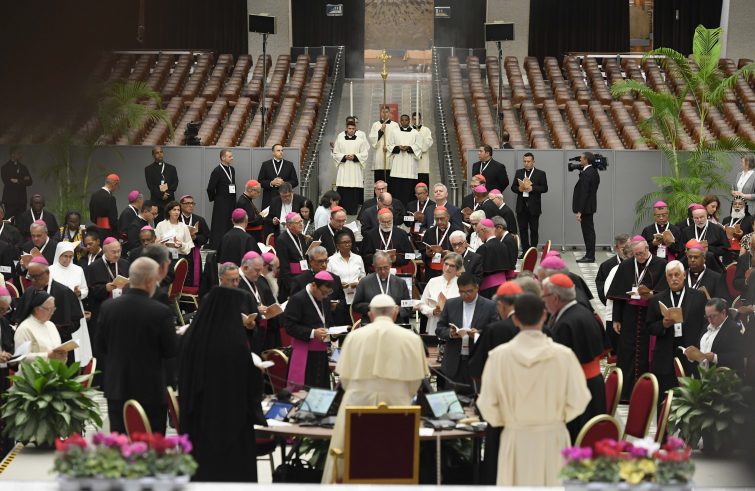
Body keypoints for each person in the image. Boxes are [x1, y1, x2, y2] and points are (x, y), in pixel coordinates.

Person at [477, 293, 590, 486]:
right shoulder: (564, 355)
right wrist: (556, 418)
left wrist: (511, 421)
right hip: (552, 436)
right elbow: (579, 399)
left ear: (515, 319)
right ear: (544, 316)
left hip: (515, 437)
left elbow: (487, 404)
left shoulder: (498, 357)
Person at [321, 294, 428, 484]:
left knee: (353, 457)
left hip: (357, 403)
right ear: (395, 313)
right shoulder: (411, 339)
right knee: (395, 459)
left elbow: (344, 379)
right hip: (398, 405)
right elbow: (416, 383)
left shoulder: (354, 337)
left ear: (370, 314)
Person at [178, 286, 266, 482]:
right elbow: (249, 386)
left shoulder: (190, 338)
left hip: (196, 421)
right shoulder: (233, 342)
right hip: (230, 426)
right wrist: (257, 372)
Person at [96, 257, 177, 433]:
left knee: (120, 439)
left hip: (117, 385)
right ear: (150, 280)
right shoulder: (161, 312)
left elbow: (100, 346)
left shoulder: (108, 308)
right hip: (151, 387)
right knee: (151, 441)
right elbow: (170, 351)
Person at [468, 281, 523, 484]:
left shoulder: (494, 330)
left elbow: (476, 369)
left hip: (501, 405)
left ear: (500, 305)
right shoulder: (539, 328)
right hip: (531, 407)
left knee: (498, 455)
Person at [542, 273, 606, 442]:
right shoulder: (581, 312)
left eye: (545, 296)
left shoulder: (567, 322)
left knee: (577, 441)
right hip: (591, 384)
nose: (543, 301)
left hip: (579, 389)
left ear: (556, 298)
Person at [607, 236, 668, 398]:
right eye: (636, 254)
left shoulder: (661, 265)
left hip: (650, 315)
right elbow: (618, 296)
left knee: (647, 354)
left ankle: (646, 393)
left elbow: (665, 292)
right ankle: (626, 393)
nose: (639, 257)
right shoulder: (626, 266)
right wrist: (616, 319)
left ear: (647, 249)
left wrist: (651, 294)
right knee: (627, 352)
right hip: (629, 316)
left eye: (641, 253)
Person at [646, 260, 707, 393]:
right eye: (670, 275)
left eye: (677, 274)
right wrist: (663, 324)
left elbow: (705, 323)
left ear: (684, 275)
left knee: (691, 394)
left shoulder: (698, 296)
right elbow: (650, 327)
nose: (674, 278)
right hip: (666, 353)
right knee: (666, 394)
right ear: (666, 278)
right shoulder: (657, 299)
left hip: (690, 351)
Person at [436, 273, 499, 393]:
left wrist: (478, 334)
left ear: (477, 288)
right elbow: (439, 328)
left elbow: (495, 332)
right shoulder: (450, 304)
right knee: (452, 397)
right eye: (461, 292)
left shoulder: (490, 306)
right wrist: (450, 333)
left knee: (476, 396)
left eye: (469, 291)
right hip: (454, 361)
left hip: (477, 361)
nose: (465, 295)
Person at [15, 256, 83, 355]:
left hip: (59, 346)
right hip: (33, 348)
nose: (33, 280)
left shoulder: (64, 292)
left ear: (47, 273)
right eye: (31, 276)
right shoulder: (29, 292)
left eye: (36, 276)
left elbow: (75, 322)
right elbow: (20, 318)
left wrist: (52, 331)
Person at [283, 271, 336, 389]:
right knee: (304, 390)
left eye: (328, 293)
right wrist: (312, 333)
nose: (325, 296)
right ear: (314, 285)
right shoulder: (297, 299)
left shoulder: (325, 299)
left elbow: (328, 321)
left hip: (321, 353)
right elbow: (289, 326)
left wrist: (333, 332)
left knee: (321, 389)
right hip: (304, 353)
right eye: (323, 293)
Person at [49, 242, 92, 366]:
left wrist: (79, 293)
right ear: (58, 255)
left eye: (70, 256)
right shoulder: (50, 270)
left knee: (78, 338)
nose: (67, 259)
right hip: (57, 311)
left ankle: (79, 364)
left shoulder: (78, 270)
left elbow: (85, 290)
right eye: (65, 256)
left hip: (75, 309)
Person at [684, 298, 744, 373]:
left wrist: (715, 358)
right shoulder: (706, 326)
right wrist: (694, 354)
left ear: (723, 312)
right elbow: (701, 348)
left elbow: (738, 356)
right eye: (707, 317)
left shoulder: (734, 328)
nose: (710, 320)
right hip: (702, 374)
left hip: (722, 376)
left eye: (713, 316)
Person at [352, 251, 412, 324]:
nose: (383, 271)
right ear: (374, 267)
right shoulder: (364, 282)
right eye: (379, 268)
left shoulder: (401, 283)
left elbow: (408, 306)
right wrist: (370, 306)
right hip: (371, 324)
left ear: (390, 265)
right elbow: (355, 306)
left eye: (386, 268)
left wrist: (397, 309)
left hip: (395, 324)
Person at [85, 237, 130, 333]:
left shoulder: (125, 264)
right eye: (114, 252)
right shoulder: (93, 267)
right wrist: (105, 288)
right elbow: (89, 291)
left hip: (123, 309)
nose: (117, 254)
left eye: (119, 251)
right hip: (102, 310)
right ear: (105, 251)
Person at [596, 234, 631, 352]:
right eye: (624, 248)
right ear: (616, 248)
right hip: (613, 310)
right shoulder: (608, 266)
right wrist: (610, 304)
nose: (626, 251)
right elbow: (602, 288)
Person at [239, 253, 281, 351]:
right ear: (245, 268)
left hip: (260, 331)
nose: (259, 273)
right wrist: (256, 309)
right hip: (246, 334)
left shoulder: (256, 278)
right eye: (257, 270)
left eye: (260, 270)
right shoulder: (237, 282)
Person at [511, 152, 548, 255]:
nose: (526, 163)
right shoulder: (519, 172)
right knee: (522, 230)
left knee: (534, 230)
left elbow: (545, 188)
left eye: (528, 161)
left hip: (534, 207)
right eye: (524, 161)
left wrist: (533, 188)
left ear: (533, 162)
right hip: (521, 206)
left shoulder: (540, 173)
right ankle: (525, 251)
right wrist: (519, 189)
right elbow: (513, 187)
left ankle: (533, 251)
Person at [14, 293, 67, 362]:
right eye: (49, 309)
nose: (52, 313)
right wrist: (47, 355)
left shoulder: (51, 325)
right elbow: (21, 357)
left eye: (53, 309)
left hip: (54, 367)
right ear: (37, 309)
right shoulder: (25, 328)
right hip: (34, 368)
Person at [418, 252, 461, 335]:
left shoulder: (461, 284)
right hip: (434, 325)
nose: (447, 268)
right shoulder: (433, 281)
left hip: (454, 327)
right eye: (446, 264)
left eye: (452, 266)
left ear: (458, 268)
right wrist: (432, 311)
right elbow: (422, 305)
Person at [332, 121, 369, 214]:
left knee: (353, 189)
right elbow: (335, 154)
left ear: (355, 129)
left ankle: (352, 210)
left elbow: (365, 154)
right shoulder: (340, 141)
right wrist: (344, 156)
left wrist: (355, 157)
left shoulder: (360, 141)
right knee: (343, 189)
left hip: (355, 168)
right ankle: (341, 210)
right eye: (349, 128)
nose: (351, 130)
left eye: (353, 129)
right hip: (344, 168)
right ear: (346, 128)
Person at [386, 114, 422, 205]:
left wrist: (409, 148)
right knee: (396, 190)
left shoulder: (415, 132)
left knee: (408, 190)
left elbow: (419, 146)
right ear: (400, 121)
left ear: (409, 121)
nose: (404, 122)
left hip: (410, 165)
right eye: (402, 120)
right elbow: (389, 145)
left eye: (406, 120)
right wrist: (398, 147)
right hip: (397, 166)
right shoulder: (394, 132)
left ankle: (408, 208)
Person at [475, 218, 515, 298]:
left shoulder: (484, 248)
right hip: (503, 287)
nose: (478, 236)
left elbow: (477, 272)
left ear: (483, 230)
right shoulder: (503, 245)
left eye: (478, 232)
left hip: (488, 289)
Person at [207, 149, 237, 249]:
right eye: (229, 156)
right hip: (221, 202)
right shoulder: (217, 171)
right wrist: (216, 198)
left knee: (230, 222)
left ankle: (229, 244)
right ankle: (217, 245)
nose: (232, 158)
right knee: (220, 223)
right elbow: (210, 188)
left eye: (232, 156)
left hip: (231, 200)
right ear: (223, 158)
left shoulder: (232, 169)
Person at [573, 152, 600, 263]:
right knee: (589, 232)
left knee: (588, 233)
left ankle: (590, 256)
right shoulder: (593, 171)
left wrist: (579, 211)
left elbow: (584, 193)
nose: (580, 160)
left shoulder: (587, 173)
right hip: (589, 207)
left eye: (581, 158)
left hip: (585, 208)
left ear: (586, 160)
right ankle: (590, 254)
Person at [276, 212, 308, 302]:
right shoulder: (282, 240)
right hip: (290, 280)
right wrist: (291, 287)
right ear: (289, 225)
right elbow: (283, 265)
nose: (301, 224)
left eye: (301, 221)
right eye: (298, 222)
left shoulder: (301, 236)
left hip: (302, 277)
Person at [422, 206, 461, 281]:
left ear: (448, 217)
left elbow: (462, 253)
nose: (439, 222)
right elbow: (422, 253)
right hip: (432, 272)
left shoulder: (456, 232)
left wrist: (451, 254)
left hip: (451, 270)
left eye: (442, 218)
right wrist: (427, 254)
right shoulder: (429, 232)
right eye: (437, 219)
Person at [327, 230, 365, 305]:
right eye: (344, 242)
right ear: (338, 245)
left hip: (356, 295)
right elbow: (328, 280)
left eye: (349, 242)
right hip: (339, 297)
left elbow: (363, 275)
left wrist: (358, 283)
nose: (347, 244)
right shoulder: (331, 260)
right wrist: (339, 284)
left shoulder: (358, 258)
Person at [179, 195, 210, 287]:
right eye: (187, 203)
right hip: (179, 251)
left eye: (192, 203)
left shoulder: (200, 220)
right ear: (181, 205)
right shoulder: (177, 219)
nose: (191, 205)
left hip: (193, 252)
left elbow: (206, 237)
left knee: (193, 276)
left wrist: (195, 238)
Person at [258, 143, 299, 210]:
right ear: (273, 153)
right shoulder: (265, 164)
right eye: (278, 150)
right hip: (269, 198)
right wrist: (271, 183)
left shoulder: (289, 165)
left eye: (282, 150)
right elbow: (260, 181)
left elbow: (295, 181)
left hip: (285, 197)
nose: (281, 152)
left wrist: (284, 183)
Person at [144, 146, 179, 219]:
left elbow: (175, 182)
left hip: (170, 201)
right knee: (158, 223)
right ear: (153, 155)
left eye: (161, 152)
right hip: (156, 202)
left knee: (171, 222)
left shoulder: (171, 168)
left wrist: (168, 193)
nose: (160, 154)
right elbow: (150, 185)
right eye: (157, 153)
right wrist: (161, 195)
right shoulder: (148, 169)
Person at [368, 105, 399, 183]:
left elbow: (397, 140)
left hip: (390, 156)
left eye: (386, 112)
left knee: (390, 183)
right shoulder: (375, 125)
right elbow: (372, 139)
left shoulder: (395, 125)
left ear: (389, 113)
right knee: (379, 182)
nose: (385, 114)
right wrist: (381, 130)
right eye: (383, 112)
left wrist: (389, 148)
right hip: (379, 155)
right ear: (380, 113)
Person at [1, 146, 33, 220]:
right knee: (9, 221)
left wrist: (17, 181)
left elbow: (29, 181)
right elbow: (7, 182)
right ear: (12, 154)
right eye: (18, 153)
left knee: (21, 221)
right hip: (10, 200)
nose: (21, 155)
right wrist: (23, 180)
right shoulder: (5, 167)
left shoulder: (23, 167)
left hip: (21, 200)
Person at [412, 112, 433, 187]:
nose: (416, 121)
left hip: (423, 162)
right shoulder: (410, 130)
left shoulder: (426, 130)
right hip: (412, 163)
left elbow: (428, 144)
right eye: (414, 119)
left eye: (417, 119)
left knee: (423, 186)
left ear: (420, 119)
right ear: (412, 120)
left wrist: (420, 136)